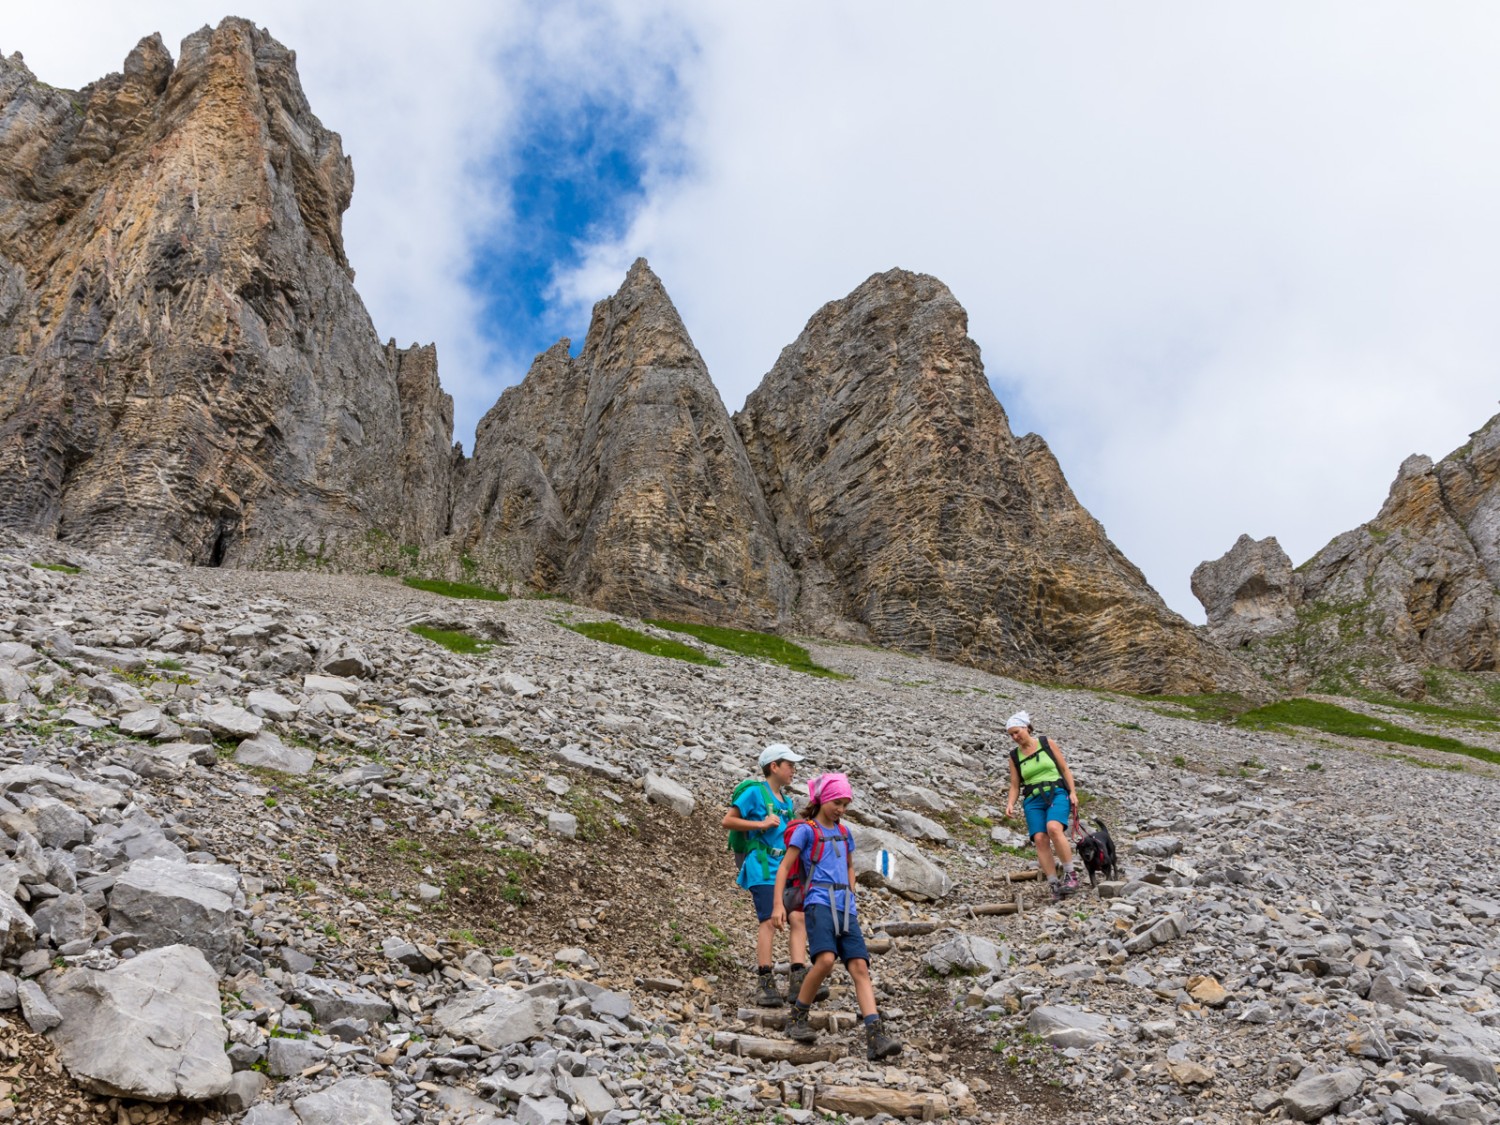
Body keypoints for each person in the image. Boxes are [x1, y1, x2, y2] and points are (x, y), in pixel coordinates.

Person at [771, 772, 901, 1061]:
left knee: (859, 967)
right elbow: (784, 868)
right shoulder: (807, 830)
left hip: (845, 907)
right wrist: (779, 905)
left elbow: (850, 865)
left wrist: (851, 893)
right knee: (826, 960)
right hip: (818, 902)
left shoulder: (844, 833)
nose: (841, 809)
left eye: (845, 804)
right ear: (822, 800)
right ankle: (797, 1018)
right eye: (837, 802)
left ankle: (875, 1036)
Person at [721, 744, 812, 1007]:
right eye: (789, 765)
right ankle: (765, 982)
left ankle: (798, 980)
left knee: (798, 916)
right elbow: (728, 820)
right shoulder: (754, 793)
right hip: (761, 865)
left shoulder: (786, 800)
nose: (794, 770)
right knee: (769, 921)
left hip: (784, 867)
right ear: (774, 766)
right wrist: (760, 824)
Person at [1002, 710, 1082, 899]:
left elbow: (1064, 769)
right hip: (1033, 800)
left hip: (1056, 793)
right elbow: (1015, 785)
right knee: (1039, 838)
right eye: (1011, 735)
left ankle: (1071, 875)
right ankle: (1054, 884)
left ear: (1026, 727)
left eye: (1016, 732)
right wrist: (1010, 803)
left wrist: (1073, 792)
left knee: (1054, 828)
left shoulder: (1046, 743)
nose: (1015, 737)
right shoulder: (1014, 757)